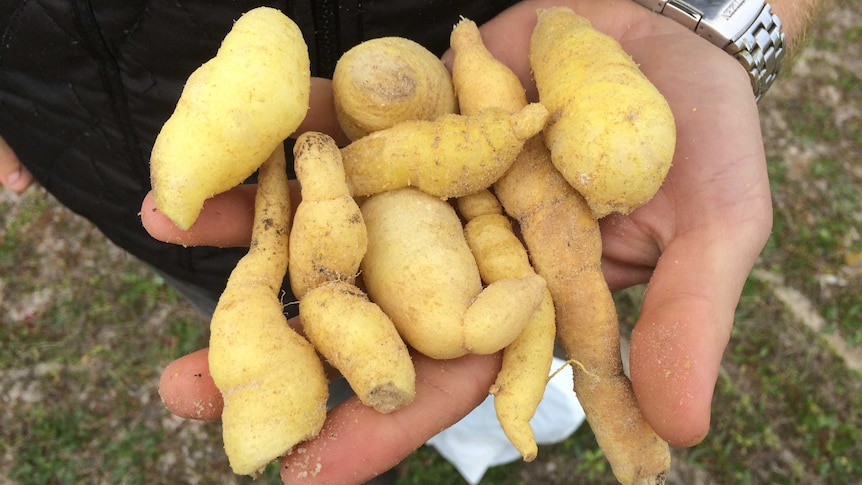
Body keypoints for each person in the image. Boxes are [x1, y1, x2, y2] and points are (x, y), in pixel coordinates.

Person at [1, 0, 824, 483]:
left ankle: (488, 426)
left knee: (483, 368)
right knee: (248, 276)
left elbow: (445, 160)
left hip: (488, 48)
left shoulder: (466, 133)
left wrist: (720, 16)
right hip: (115, 142)